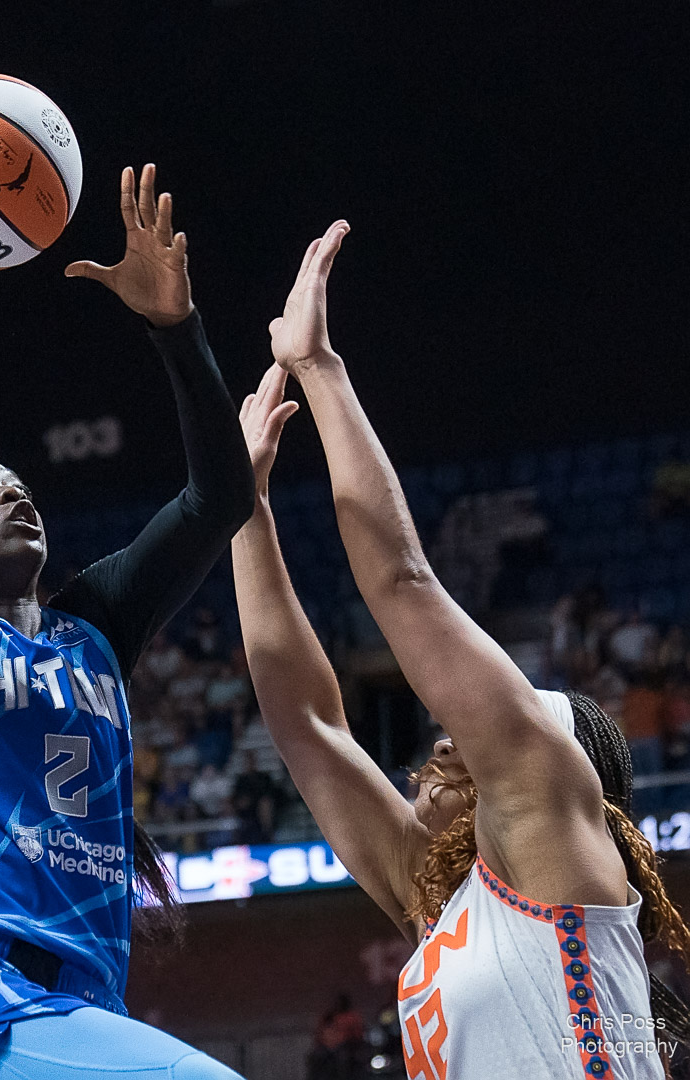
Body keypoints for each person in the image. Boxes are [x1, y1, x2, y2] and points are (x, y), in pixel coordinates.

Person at [0, 95, 252, 1079]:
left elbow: (219, 498)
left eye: (21, 486)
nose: (11, 494)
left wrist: (176, 328)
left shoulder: (92, 633)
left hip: (66, 1011)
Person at [231, 222, 690, 1078]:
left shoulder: (550, 836)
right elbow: (305, 722)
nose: (446, 741)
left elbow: (402, 585)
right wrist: (245, 506)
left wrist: (320, 370)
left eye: (478, 740)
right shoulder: (440, 901)